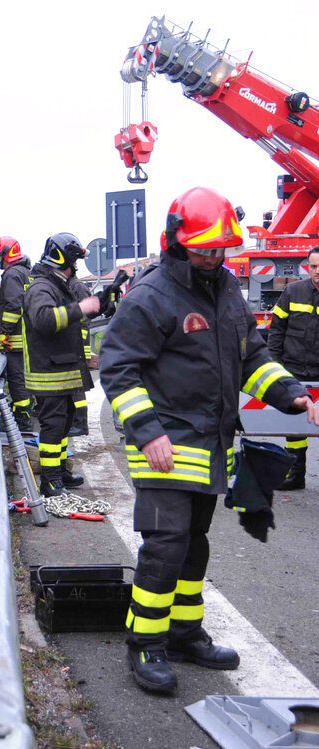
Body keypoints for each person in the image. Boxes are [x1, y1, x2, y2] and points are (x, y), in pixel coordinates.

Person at [100, 186, 319, 695]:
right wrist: (148, 433)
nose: (214, 256)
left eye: (220, 248)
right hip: (165, 443)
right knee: (165, 545)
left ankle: (183, 633)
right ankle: (146, 643)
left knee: (193, 546)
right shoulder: (150, 297)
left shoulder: (225, 291)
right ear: (178, 242)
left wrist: (291, 396)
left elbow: (251, 357)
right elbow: (118, 368)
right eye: (204, 248)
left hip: (208, 444)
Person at [23, 233, 100, 495]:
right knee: (53, 427)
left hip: (62, 370)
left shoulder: (60, 285)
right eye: (75, 260)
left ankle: (61, 471)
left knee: (64, 423)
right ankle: (50, 480)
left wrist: (101, 303)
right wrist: (81, 308)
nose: (76, 266)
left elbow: (72, 319)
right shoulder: (41, 287)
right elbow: (44, 320)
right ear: (63, 258)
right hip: (49, 373)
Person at [267, 245, 319, 489]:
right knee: (294, 427)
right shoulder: (293, 291)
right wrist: (275, 365)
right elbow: (276, 330)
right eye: (314, 266)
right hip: (294, 369)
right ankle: (296, 474)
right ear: (308, 267)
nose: (317, 271)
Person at [0, 236, 34, 431]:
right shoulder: (28, 273)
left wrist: (4, 333)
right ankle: (24, 412)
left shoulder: (12, 275)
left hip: (15, 339)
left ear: (7, 254)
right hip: (30, 337)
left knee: (17, 379)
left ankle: (22, 420)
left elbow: (13, 306)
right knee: (27, 377)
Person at [68, 275, 94, 436]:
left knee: (77, 386)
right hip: (72, 342)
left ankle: (81, 424)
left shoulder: (77, 286)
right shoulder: (68, 285)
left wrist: (78, 338)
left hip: (77, 344)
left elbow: (85, 315)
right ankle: (76, 422)